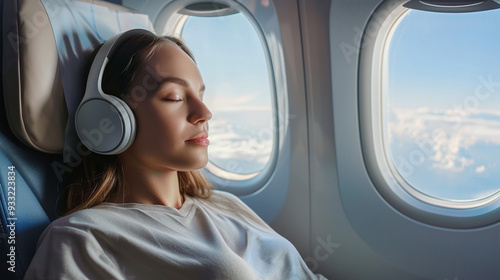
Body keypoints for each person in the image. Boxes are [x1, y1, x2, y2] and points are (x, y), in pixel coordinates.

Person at [24, 30, 327, 280]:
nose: (204, 113)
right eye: (175, 97)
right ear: (111, 117)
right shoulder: (81, 239)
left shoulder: (226, 206)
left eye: (201, 95)